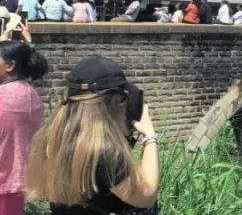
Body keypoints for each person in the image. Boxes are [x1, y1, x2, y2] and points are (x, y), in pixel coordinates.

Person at [25, 57, 160, 214]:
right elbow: (146, 196)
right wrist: (149, 136)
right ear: (115, 101)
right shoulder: (104, 151)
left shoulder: (54, 134)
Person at [0, 25, 47, 215]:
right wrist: (28, 42)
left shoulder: (3, 98)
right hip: (16, 182)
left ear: (10, 65)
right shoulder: (29, 93)